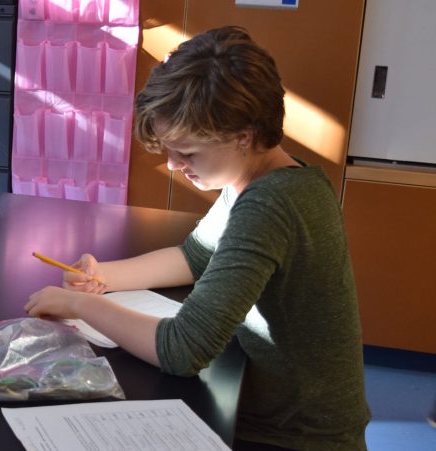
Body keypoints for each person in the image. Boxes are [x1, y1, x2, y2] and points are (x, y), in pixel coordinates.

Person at [24, 27, 369, 450]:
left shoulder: (272, 204)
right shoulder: (261, 178)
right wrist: (102, 275)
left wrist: (81, 304)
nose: (172, 165)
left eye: (187, 153)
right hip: (271, 412)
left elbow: (183, 349)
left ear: (243, 135)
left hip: (295, 437)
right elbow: (195, 256)